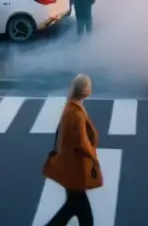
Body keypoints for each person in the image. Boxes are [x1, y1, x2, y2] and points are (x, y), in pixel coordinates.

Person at [42, 74, 101, 226]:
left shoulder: (71, 107)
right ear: (84, 90)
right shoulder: (76, 113)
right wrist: (93, 158)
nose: (90, 88)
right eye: (89, 86)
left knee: (72, 208)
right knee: (85, 216)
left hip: (70, 167)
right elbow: (81, 142)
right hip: (74, 168)